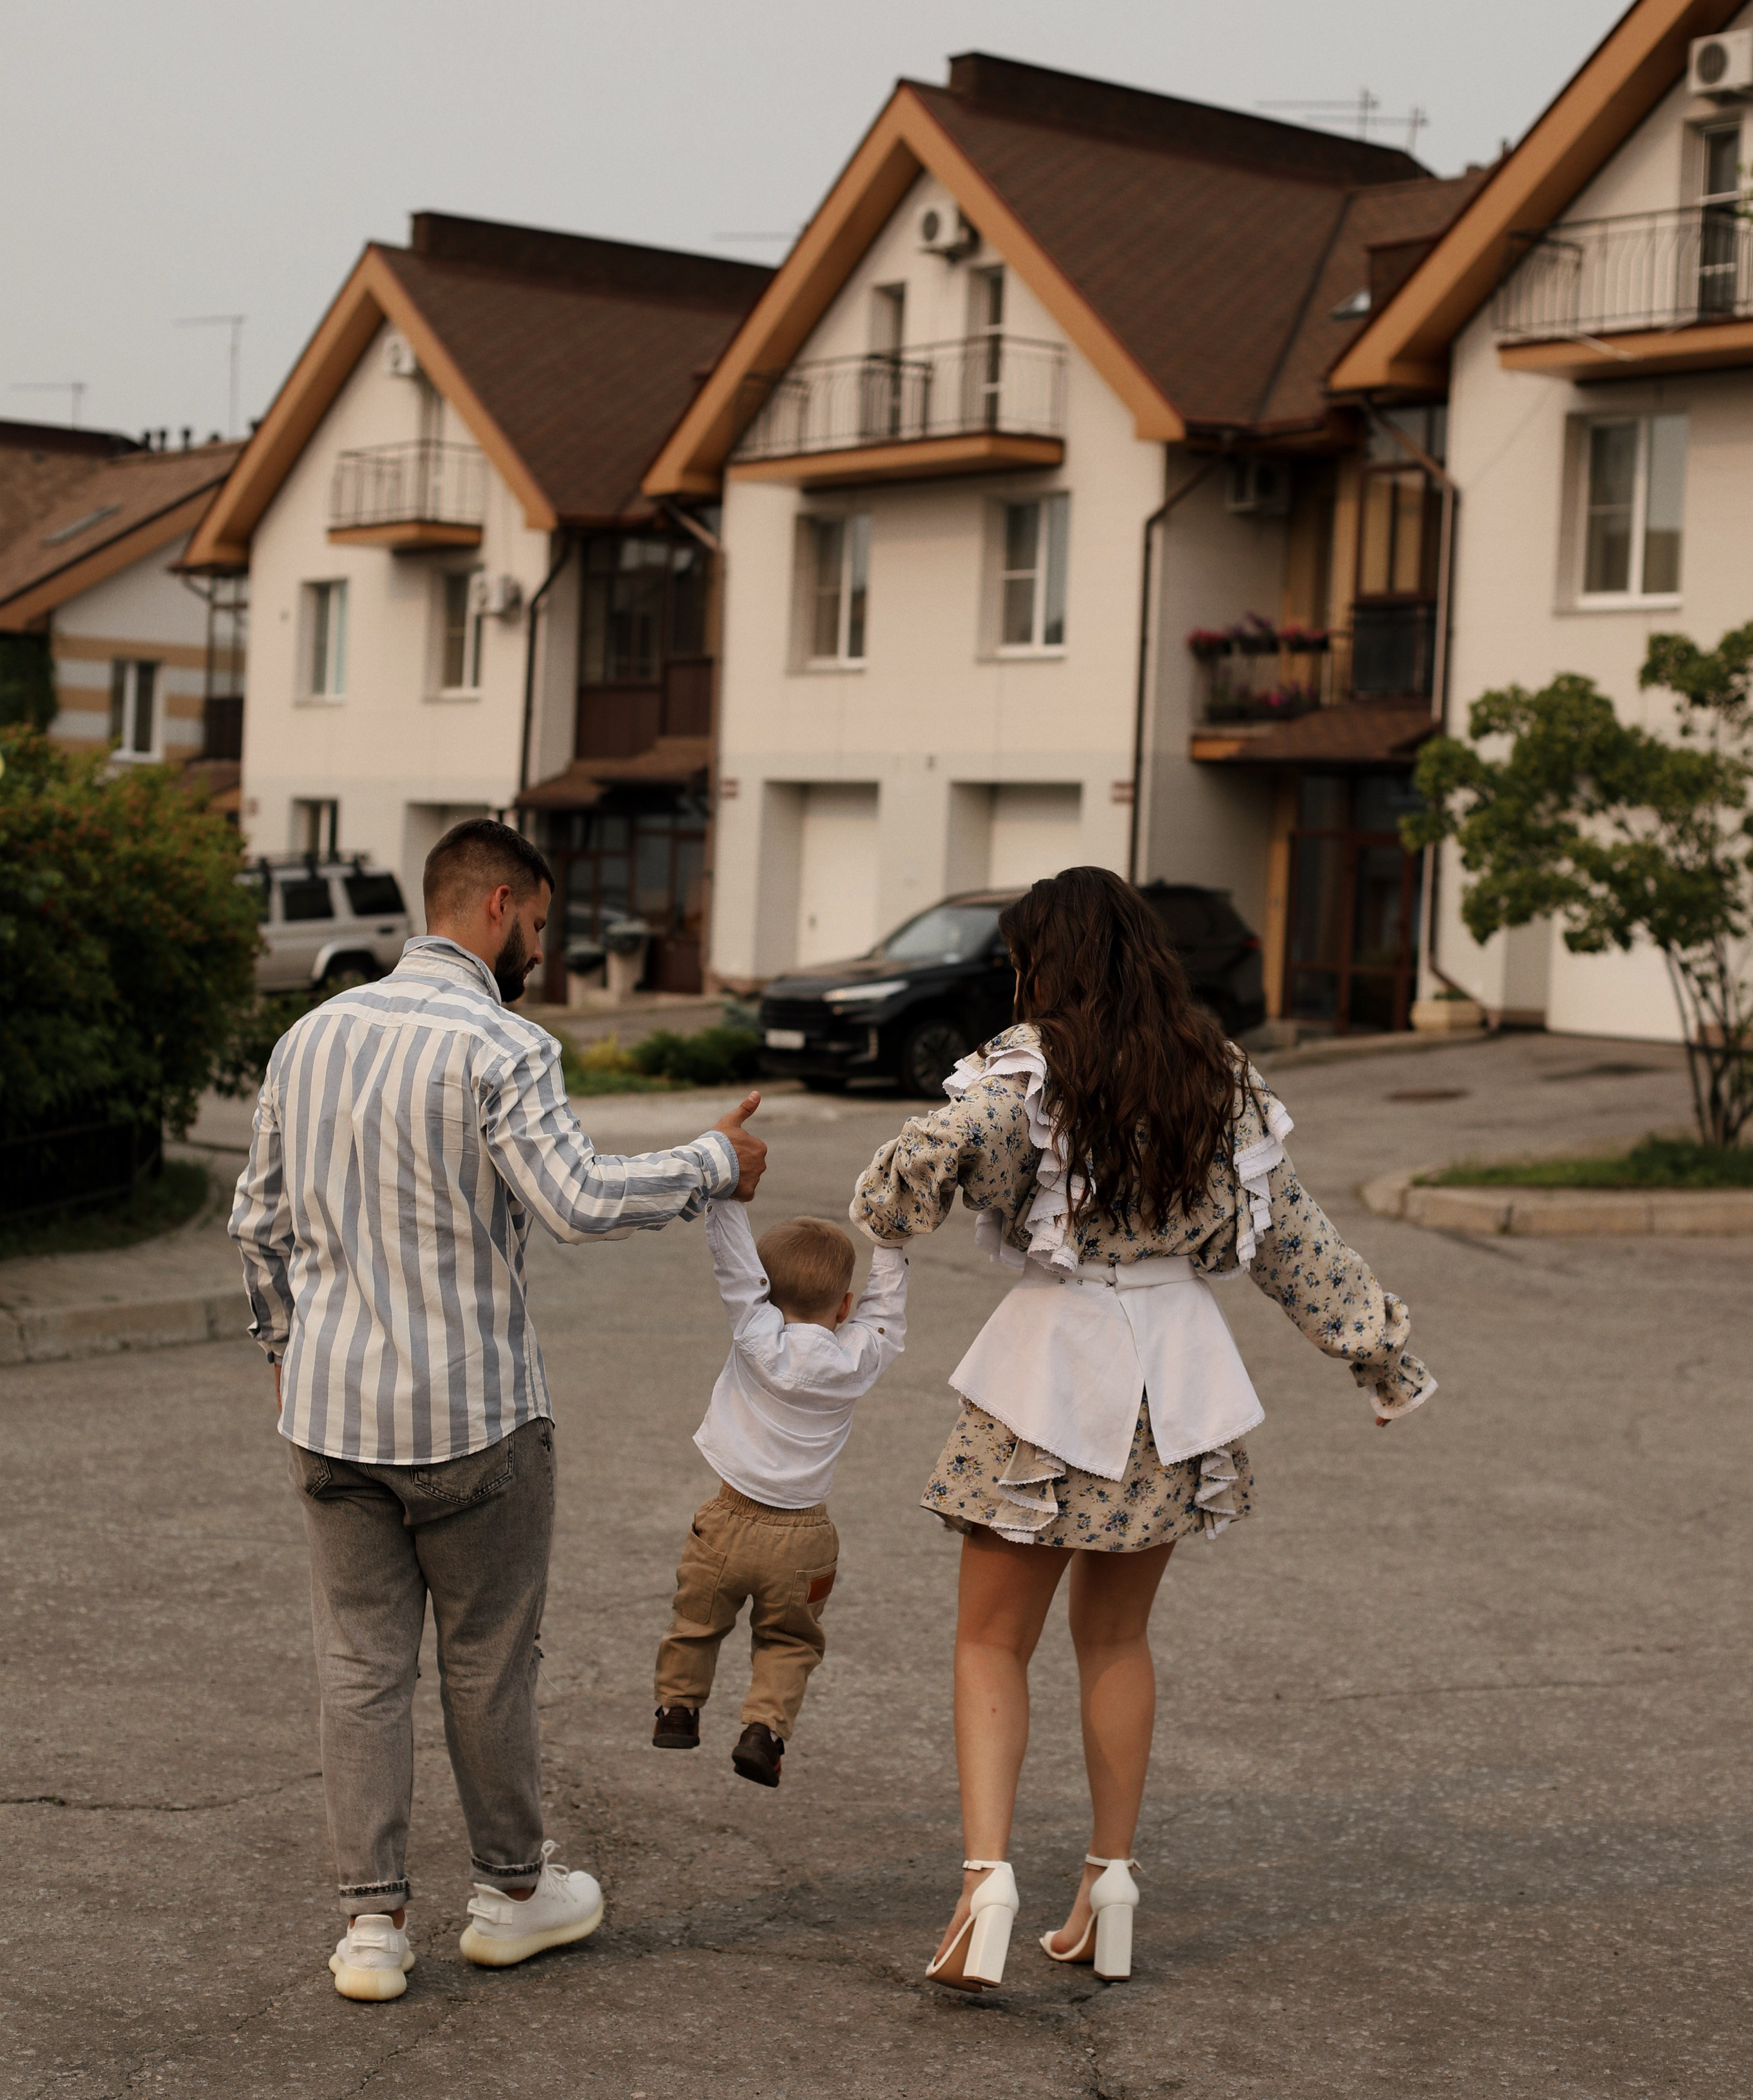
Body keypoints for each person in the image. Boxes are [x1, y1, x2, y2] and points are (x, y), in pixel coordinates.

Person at [850, 865, 1434, 1993]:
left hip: (1049, 1375)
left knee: (990, 1643)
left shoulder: (1023, 1077)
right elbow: (1293, 1242)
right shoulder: (1219, 1082)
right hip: (1175, 1385)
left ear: (1041, 966)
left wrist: (887, 1209)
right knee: (1116, 1643)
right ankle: (1109, 1881)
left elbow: (909, 1182)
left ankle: (987, 1886)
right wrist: (1379, 1353)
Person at [230, 818, 767, 2003]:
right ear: (498, 905)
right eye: (539, 921)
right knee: (485, 1661)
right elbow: (573, 1202)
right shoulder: (503, 1044)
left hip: (328, 1415)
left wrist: (287, 1349)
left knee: (359, 1664)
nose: (541, 943)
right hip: (472, 1417)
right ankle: (514, 1894)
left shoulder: (309, 1037)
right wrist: (713, 1163)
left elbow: (256, 1224)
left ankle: (370, 1929)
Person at [653, 1205, 907, 1787]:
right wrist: (890, 1243)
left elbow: (735, 1268)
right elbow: (886, 1315)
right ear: (845, 1307)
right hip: (806, 1539)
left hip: (727, 1521)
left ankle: (678, 1708)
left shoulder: (755, 1334)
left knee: (697, 1619)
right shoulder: (855, 1359)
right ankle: (763, 1731)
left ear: (766, 1299)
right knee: (790, 1641)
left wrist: (727, 1198)